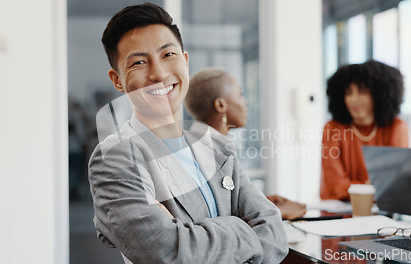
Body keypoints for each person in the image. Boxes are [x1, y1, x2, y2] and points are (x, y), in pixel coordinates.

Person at [88, 3, 288, 263]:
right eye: (139, 62)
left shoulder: (217, 148)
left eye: (168, 55)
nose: (159, 73)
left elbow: (275, 235)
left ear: (185, 60)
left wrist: (189, 235)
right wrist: (242, 227)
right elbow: (167, 252)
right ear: (117, 80)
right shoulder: (115, 158)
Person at [185, 68, 307, 220]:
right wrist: (277, 212)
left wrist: (257, 201)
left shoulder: (200, 142)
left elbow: (223, 202)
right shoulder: (209, 150)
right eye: (240, 94)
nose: (245, 101)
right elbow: (217, 216)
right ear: (220, 105)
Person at [320, 60, 409, 200]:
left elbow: (395, 182)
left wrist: (356, 188)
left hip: (383, 214)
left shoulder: (396, 127)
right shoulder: (333, 128)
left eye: (363, 91)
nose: (353, 99)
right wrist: (368, 188)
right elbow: (333, 186)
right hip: (339, 215)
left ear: (380, 94)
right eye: (348, 92)